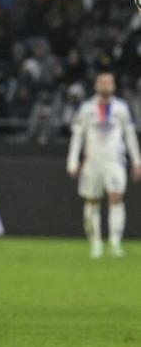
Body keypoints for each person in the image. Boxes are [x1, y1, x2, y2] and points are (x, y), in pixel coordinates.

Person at [67, 72, 141, 259]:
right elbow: (77, 135)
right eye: (102, 82)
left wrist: (137, 161)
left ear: (114, 86)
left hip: (114, 161)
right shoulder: (86, 109)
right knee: (92, 201)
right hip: (92, 162)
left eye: (109, 82)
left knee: (116, 197)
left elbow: (130, 135)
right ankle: (96, 243)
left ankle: (115, 243)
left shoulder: (121, 108)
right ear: (96, 86)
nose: (106, 85)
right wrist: (72, 160)